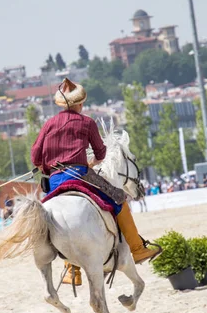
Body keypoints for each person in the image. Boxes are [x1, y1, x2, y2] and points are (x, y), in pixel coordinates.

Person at [31, 78, 161, 286]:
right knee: (119, 198)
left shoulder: (48, 124)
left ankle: (71, 271)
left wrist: (43, 166)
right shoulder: (87, 122)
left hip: (54, 181)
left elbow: (36, 156)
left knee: (58, 220)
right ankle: (137, 249)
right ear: (80, 103)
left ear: (61, 105)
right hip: (80, 174)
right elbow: (101, 153)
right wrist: (91, 162)